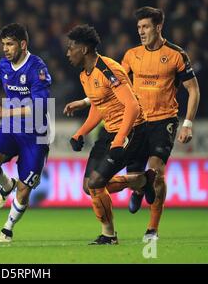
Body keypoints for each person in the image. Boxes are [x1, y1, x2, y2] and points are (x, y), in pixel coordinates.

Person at [64, 7, 200, 242]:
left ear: (158, 27)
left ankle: (151, 230)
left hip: (160, 121)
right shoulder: (130, 56)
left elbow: (193, 89)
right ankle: (139, 183)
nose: (141, 31)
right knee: (111, 182)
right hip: (135, 121)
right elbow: (111, 89)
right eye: (138, 27)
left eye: (145, 27)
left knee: (157, 172)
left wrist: (187, 123)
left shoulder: (177, 55)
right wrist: (85, 104)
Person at [65, 24, 156, 245]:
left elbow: (133, 107)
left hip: (132, 129)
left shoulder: (108, 69)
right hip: (109, 131)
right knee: (89, 186)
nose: (68, 53)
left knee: (97, 183)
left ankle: (109, 235)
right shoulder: (85, 76)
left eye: (71, 48)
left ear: (84, 49)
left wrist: (118, 139)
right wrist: (80, 133)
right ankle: (142, 181)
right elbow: (99, 106)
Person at [0, 23, 51, 242]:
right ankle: (7, 185)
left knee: (25, 190)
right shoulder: (4, 64)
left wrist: (5, 112)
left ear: (23, 45)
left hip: (35, 134)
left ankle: (8, 227)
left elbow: (41, 106)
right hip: (11, 128)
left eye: (10, 44)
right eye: (3, 44)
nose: (5, 49)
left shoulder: (37, 68)